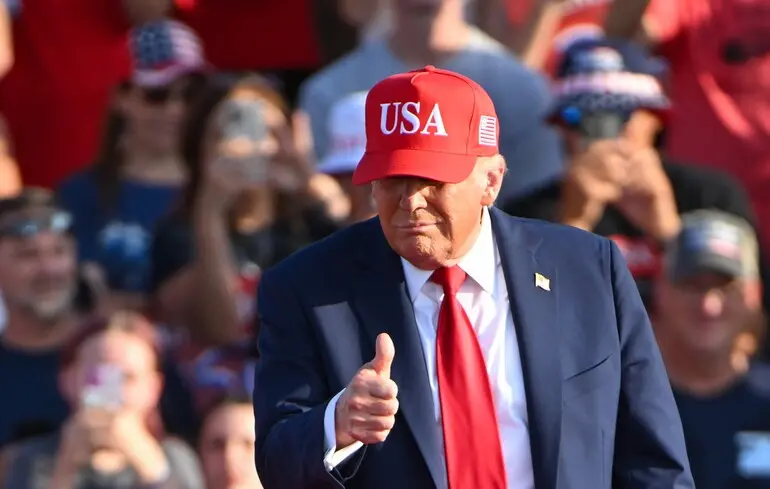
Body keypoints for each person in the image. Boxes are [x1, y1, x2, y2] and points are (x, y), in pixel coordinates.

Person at [253, 66, 694, 489]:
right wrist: (335, 424)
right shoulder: (308, 289)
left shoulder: (587, 270)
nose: (411, 201)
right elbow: (276, 462)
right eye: (391, 180)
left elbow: (654, 461)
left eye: (432, 180)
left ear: (491, 181)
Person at [502, 38, 759, 310]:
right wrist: (573, 223)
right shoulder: (524, 216)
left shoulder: (712, 197)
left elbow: (750, 314)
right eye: (577, 118)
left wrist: (670, 234)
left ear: (656, 119)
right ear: (561, 130)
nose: (603, 136)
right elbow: (525, 316)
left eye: (619, 116)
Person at [3, 311, 205, 489]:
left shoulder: (175, 459)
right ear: (68, 380)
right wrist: (65, 468)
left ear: (153, 389)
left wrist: (150, 466)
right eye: (99, 376)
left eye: (127, 378)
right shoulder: (32, 460)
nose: (114, 390)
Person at [652, 210, 770, 489]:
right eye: (693, 286)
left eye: (725, 287)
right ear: (662, 291)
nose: (709, 306)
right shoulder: (624, 406)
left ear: (754, 294)